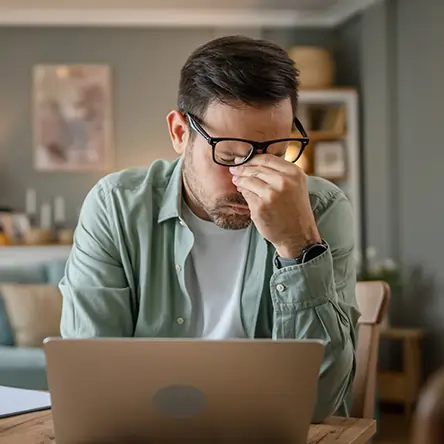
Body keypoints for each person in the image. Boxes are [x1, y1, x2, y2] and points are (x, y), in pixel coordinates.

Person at [59, 35, 360, 422]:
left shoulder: (320, 209)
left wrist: (298, 246)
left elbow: (319, 403)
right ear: (180, 133)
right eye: (230, 155)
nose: (248, 179)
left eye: (275, 154)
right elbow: (91, 381)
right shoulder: (115, 206)